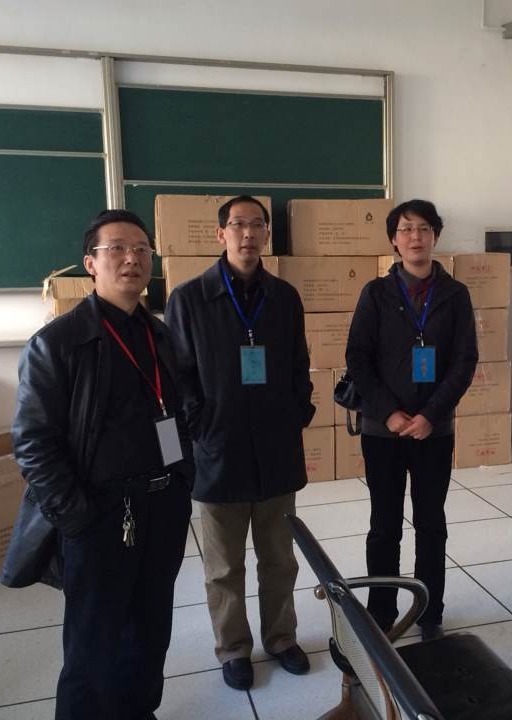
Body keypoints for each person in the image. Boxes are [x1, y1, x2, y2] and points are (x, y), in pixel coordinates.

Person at [12, 209, 194, 720]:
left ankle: (139, 711)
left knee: (151, 630)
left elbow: (178, 414)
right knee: (94, 644)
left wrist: (183, 480)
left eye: (141, 249)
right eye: (117, 249)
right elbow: (33, 443)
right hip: (98, 515)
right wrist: (76, 517)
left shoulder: (160, 336)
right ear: (90, 263)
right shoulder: (57, 343)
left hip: (161, 506)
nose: (132, 258)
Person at [164, 195, 315, 691]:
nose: (247, 234)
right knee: (223, 565)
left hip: (275, 447)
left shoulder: (284, 297)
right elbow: (179, 376)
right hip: (219, 449)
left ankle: (281, 638)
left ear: (267, 234)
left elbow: (298, 364)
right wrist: (201, 426)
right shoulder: (188, 298)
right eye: (237, 225)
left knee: (279, 559)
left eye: (257, 225)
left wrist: (297, 412)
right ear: (220, 234)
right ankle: (233, 648)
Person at [345, 199, 478, 641]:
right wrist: (389, 412)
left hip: (433, 431)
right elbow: (358, 359)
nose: (415, 236)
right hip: (382, 431)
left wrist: (429, 415)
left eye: (423, 228)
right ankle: (381, 612)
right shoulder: (376, 293)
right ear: (393, 239)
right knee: (384, 525)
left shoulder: (455, 295)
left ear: (435, 236)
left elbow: (464, 362)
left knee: (430, 524)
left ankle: (429, 610)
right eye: (406, 229)